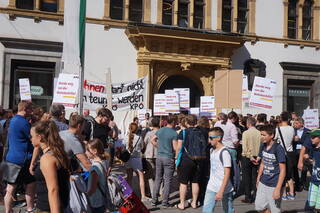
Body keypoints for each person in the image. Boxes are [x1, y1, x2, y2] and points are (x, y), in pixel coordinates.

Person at [3, 101, 36, 213]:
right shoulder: (23, 123)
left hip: (13, 158)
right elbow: (34, 139)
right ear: (25, 109)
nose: (32, 111)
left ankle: (9, 210)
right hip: (22, 159)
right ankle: (30, 209)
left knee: (11, 188)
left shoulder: (13, 120)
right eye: (30, 109)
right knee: (28, 185)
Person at [31, 120, 70, 213]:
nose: (31, 139)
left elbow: (53, 190)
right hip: (58, 204)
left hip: (47, 207)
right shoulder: (58, 152)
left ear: (39, 137)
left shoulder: (47, 158)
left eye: (32, 136)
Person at [176, 115, 206, 210]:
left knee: (183, 183)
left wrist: (176, 158)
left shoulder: (183, 132)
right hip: (199, 159)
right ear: (196, 122)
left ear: (186, 122)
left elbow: (179, 147)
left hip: (186, 159)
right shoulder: (201, 132)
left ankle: (182, 203)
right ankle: (194, 202)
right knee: (195, 182)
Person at [255, 125, 286, 213]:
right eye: (261, 134)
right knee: (259, 207)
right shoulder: (263, 146)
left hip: (275, 183)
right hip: (263, 181)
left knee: (275, 210)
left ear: (271, 135)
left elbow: (283, 170)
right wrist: (258, 179)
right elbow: (262, 163)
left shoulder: (278, 148)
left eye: (264, 135)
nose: (261, 137)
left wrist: (278, 188)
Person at [202, 127, 234, 213]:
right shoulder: (212, 150)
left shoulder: (224, 153)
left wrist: (221, 191)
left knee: (228, 210)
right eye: (208, 137)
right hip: (211, 186)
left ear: (219, 138)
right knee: (206, 210)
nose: (209, 140)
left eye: (211, 138)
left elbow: (227, 173)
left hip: (224, 188)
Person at [151, 115, 178, 208]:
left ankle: (154, 200)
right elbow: (175, 148)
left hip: (159, 157)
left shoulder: (160, 130)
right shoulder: (174, 133)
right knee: (167, 180)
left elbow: (152, 140)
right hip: (168, 157)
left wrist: (159, 147)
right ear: (173, 122)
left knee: (158, 178)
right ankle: (165, 202)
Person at [123, 122, 149, 201]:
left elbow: (123, 147)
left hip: (127, 159)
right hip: (136, 158)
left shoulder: (125, 137)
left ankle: (128, 195)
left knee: (129, 177)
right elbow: (142, 147)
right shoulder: (139, 137)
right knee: (141, 177)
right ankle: (143, 196)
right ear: (137, 129)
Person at [274, 111, 295, 200]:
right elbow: (292, 139)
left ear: (281, 118)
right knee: (289, 174)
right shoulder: (292, 129)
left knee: (282, 173)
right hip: (290, 152)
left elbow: (275, 140)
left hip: (281, 152)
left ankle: (284, 194)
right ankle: (292, 193)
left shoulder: (278, 129)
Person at [241, 117, 261, 203]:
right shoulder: (259, 133)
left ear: (248, 124)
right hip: (257, 156)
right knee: (255, 177)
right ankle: (256, 195)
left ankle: (248, 197)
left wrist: (250, 156)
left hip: (247, 157)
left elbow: (245, 148)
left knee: (246, 177)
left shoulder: (245, 133)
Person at [86, 139, 108, 213]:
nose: (86, 153)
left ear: (94, 151)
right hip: (102, 198)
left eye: (87, 150)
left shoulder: (95, 168)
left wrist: (85, 195)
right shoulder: (103, 162)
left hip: (96, 201)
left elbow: (93, 188)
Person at [143, 117, 160, 197]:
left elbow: (144, 143)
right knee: (159, 174)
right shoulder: (161, 132)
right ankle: (161, 191)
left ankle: (153, 193)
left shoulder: (149, 133)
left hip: (149, 155)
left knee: (150, 175)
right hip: (159, 155)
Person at [293, 117, 310, 191]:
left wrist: (299, 139)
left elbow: (307, 142)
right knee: (295, 167)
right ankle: (297, 183)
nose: (295, 125)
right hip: (295, 151)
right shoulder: (293, 130)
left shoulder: (308, 131)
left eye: (296, 123)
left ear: (301, 124)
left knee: (304, 168)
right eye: (294, 123)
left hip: (304, 151)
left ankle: (303, 182)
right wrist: (293, 139)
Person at [305, 129, 320, 211]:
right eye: (311, 137)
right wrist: (308, 160)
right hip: (314, 181)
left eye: (314, 137)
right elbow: (313, 161)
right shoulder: (313, 149)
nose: (311, 139)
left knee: (318, 207)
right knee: (311, 204)